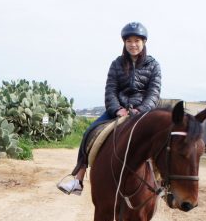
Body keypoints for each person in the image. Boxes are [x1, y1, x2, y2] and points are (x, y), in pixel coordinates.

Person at [57, 21, 162, 195]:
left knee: (163, 139)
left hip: (143, 112)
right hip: (118, 108)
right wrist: (117, 109)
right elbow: (110, 90)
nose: (133, 44)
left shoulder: (153, 65)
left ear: (144, 42)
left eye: (137, 40)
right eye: (129, 41)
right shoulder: (117, 64)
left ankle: (162, 183)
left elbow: (153, 93)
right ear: (124, 43)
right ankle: (78, 179)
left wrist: (140, 110)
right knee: (89, 131)